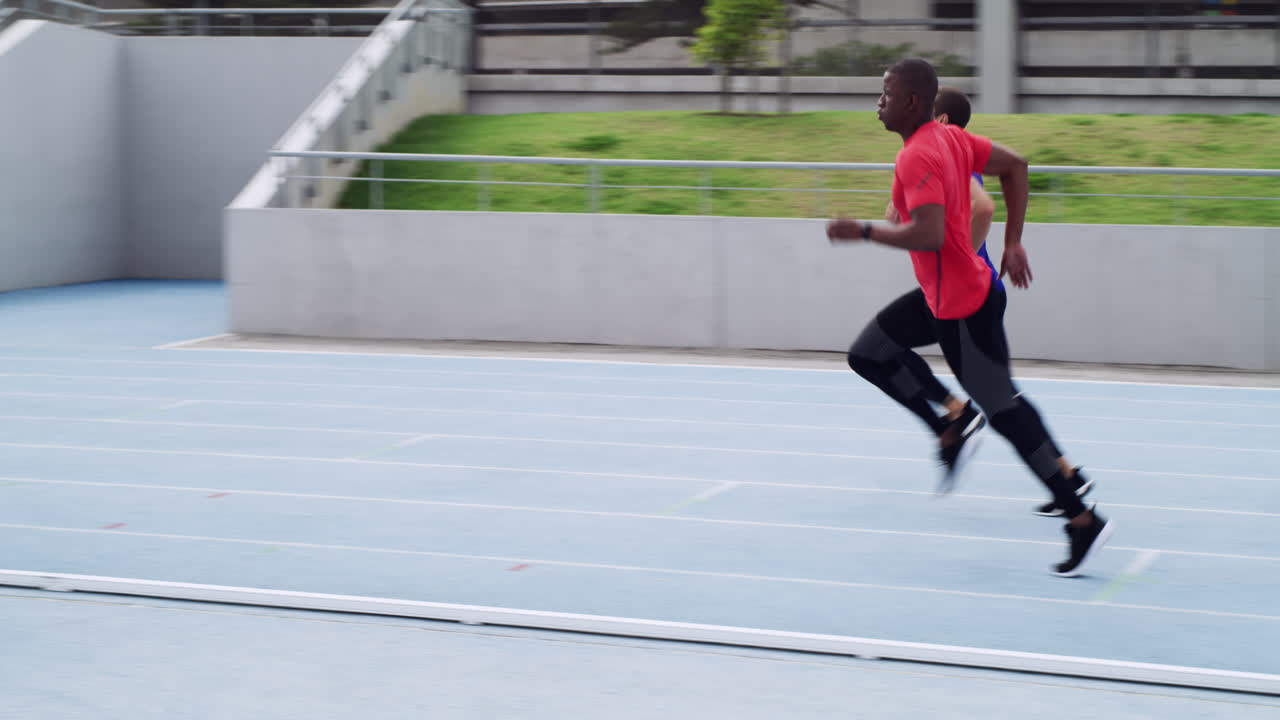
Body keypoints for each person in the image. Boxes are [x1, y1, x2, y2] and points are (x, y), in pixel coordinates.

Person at [827, 58, 1112, 577]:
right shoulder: (949, 140)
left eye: (886, 93)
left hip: (961, 308)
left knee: (1007, 412)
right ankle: (951, 419)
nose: (878, 101)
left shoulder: (919, 154)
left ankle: (1079, 514)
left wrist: (864, 231)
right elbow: (1017, 164)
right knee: (869, 353)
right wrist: (1013, 242)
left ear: (913, 102)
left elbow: (931, 235)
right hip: (946, 299)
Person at [890, 86, 1093, 517]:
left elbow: (983, 208)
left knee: (882, 350)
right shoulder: (954, 156)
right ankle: (1066, 474)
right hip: (968, 290)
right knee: (1003, 395)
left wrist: (961, 257)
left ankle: (955, 414)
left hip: (966, 294)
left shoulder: (947, 158)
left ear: (940, 122)